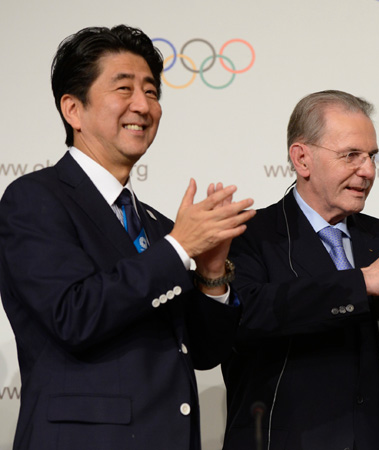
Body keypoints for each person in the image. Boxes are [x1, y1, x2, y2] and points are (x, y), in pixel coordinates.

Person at [0, 25, 255, 450]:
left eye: (152, 92)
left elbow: (205, 352)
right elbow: (73, 314)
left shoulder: (153, 224)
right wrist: (179, 249)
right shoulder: (33, 198)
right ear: (73, 110)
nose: (143, 105)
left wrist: (211, 275)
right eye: (124, 88)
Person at [221, 90, 379, 450]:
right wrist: (361, 282)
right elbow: (245, 316)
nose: (368, 171)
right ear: (302, 159)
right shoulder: (249, 236)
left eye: (372, 157)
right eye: (351, 156)